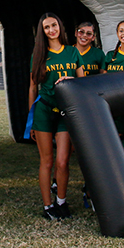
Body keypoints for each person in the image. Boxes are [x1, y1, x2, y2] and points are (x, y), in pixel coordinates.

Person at [28, 12, 85, 220]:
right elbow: (33, 86)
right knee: (47, 161)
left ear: (60, 26)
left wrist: (72, 81)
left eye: (54, 25)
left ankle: (61, 201)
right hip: (44, 108)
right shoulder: (39, 54)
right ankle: (47, 206)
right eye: (46, 27)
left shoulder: (72, 52)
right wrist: (31, 118)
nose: (51, 30)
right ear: (42, 32)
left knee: (63, 161)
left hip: (65, 111)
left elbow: (83, 84)